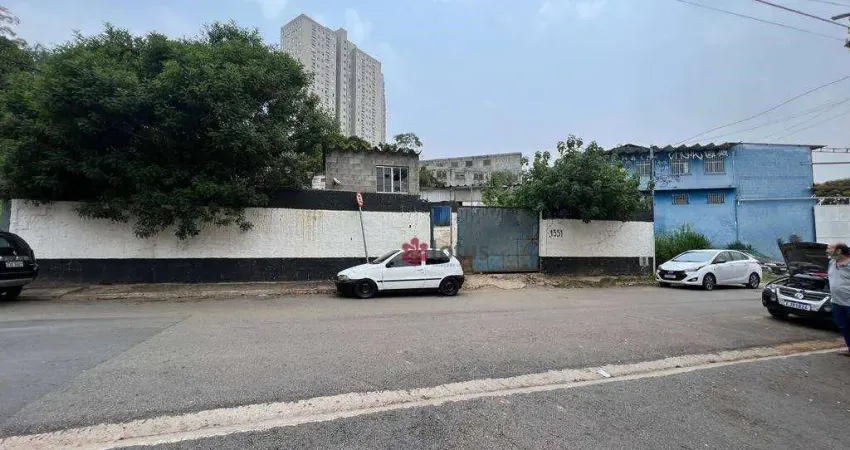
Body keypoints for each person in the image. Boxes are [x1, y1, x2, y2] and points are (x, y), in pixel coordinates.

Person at [827, 242, 850, 356]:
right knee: (843, 326)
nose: (827, 251)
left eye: (829, 248)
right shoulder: (831, 262)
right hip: (836, 302)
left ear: (839, 251)